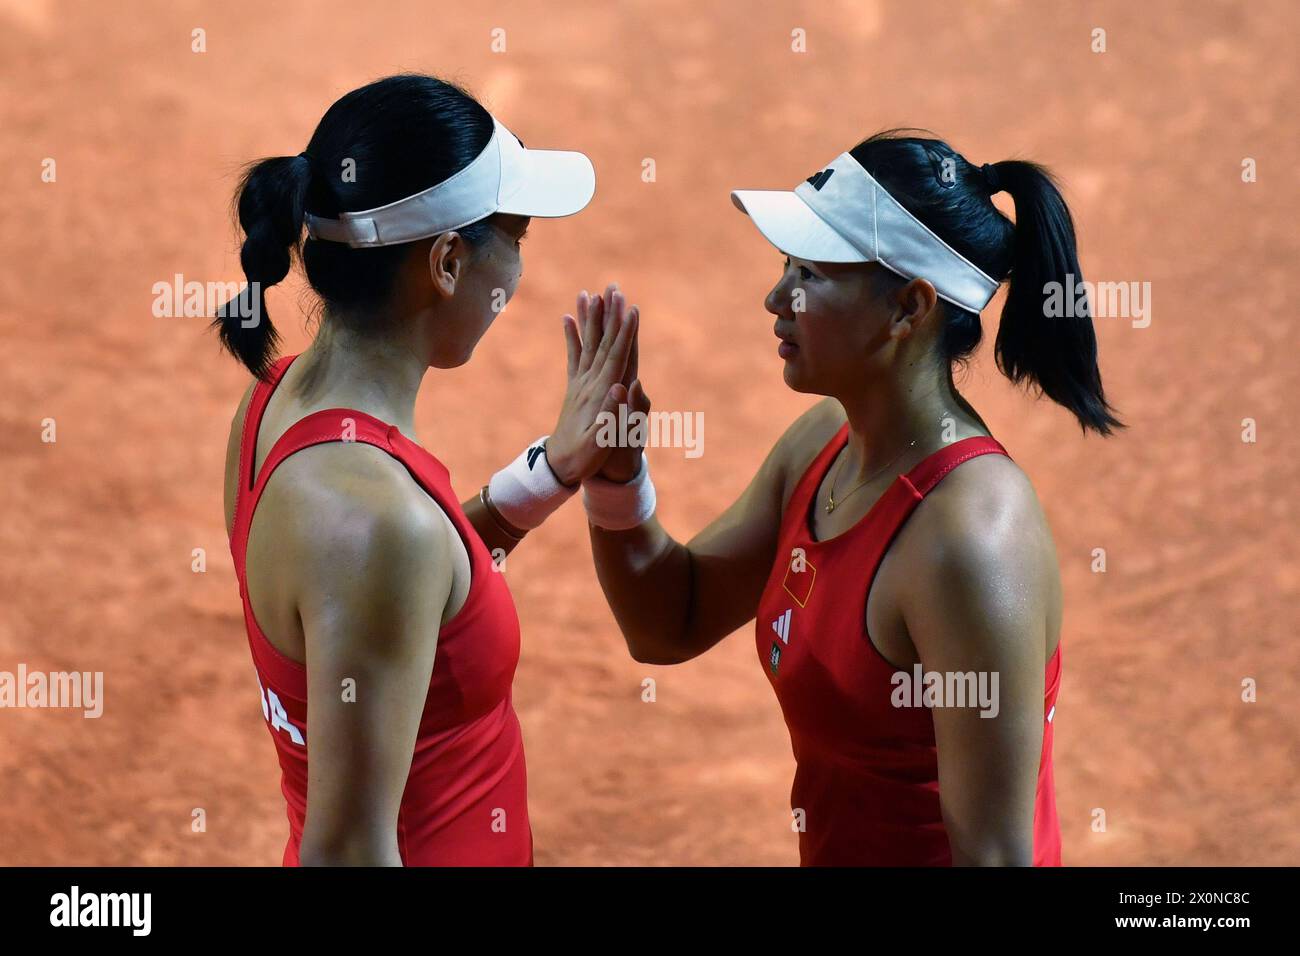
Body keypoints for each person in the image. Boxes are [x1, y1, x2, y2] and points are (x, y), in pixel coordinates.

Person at [576, 130, 1120, 865]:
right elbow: (673, 620)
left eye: (809, 274)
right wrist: (617, 478)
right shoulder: (824, 443)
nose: (776, 298)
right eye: (785, 265)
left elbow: (993, 855)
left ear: (909, 307)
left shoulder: (970, 543)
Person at [216, 73, 637, 865]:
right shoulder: (377, 522)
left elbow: (411, 606)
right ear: (446, 263)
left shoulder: (274, 409)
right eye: (515, 237)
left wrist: (546, 475)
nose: (515, 269)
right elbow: (346, 852)